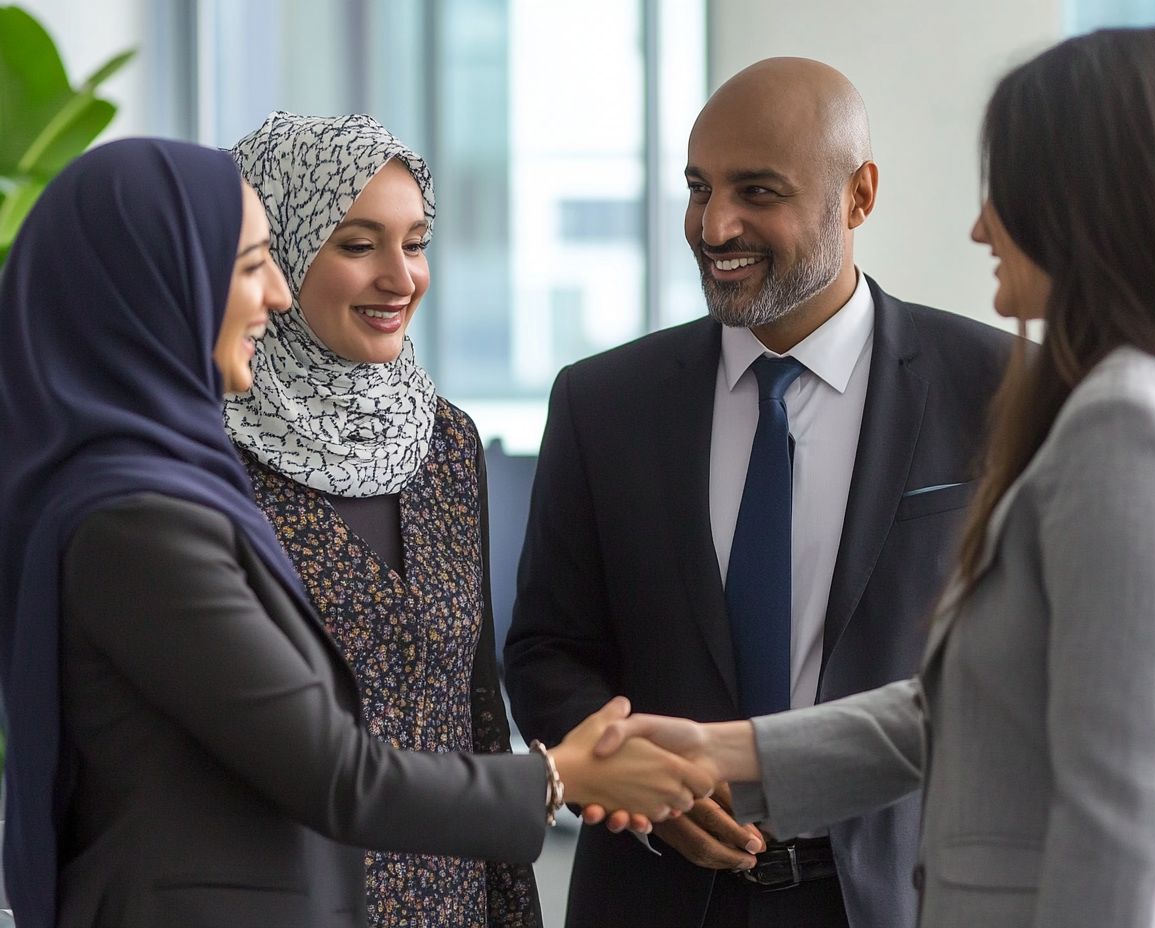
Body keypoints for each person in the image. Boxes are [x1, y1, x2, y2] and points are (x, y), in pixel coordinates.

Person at [596, 25, 1155, 928]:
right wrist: (717, 748)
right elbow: (963, 712)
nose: (980, 226)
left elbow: (1119, 803)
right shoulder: (1150, 403)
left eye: (1006, 193)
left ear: (1094, 206)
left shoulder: (1128, 422)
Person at [0, 138, 713, 928]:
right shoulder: (142, 517)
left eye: (416, 242)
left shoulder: (423, 443)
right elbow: (334, 771)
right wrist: (561, 776)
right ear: (156, 289)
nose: (274, 293)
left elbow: (472, 706)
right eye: (252, 264)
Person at [504, 57, 1015, 928]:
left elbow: (1016, 671)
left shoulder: (999, 389)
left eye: (757, 191)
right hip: (657, 896)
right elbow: (547, 649)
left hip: (904, 897)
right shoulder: (601, 403)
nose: (715, 224)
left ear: (858, 197)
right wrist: (646, 791)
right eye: (699, 188)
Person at [223, 110, 539, 927]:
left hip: (454, 902)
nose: (402, 278)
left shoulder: (447, 442)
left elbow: (479, 712)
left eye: (417, 241)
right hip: (292, 904)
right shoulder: (209, 454)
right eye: (359, 245)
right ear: (277, 253)